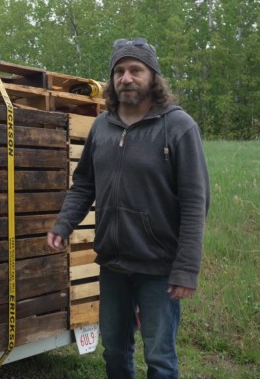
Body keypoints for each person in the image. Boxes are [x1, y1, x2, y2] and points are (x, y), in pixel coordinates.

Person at [47, 37, 210, 379]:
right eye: (119, 71)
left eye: (136, 70)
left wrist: (186, 269)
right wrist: (64, 224)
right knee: (115, 351)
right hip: (113, 263)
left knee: (159, 357)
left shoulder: (179, 127)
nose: (126, 78)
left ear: (153, 77)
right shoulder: (102, 127)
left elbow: (196, 203)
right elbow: (85, 183)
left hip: (158, 267)